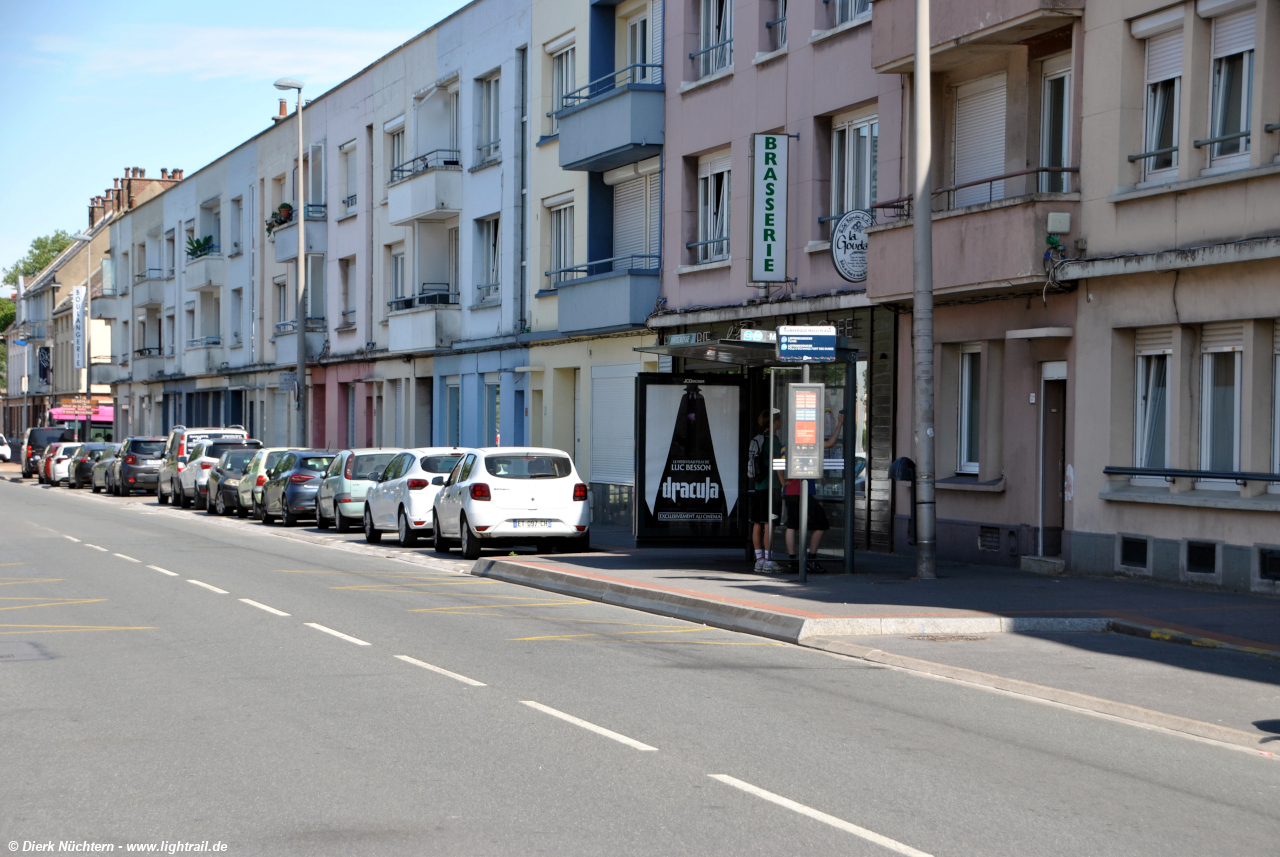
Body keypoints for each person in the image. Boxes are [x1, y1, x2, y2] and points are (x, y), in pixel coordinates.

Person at [783, 409, 843, 570]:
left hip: (790, 492)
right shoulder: (805, 443)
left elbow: (779, 467)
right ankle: (811, 559)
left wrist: (784, 483)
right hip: (802, 490)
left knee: (792, 525)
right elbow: (830, 443)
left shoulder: (787, 444)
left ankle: (793, 560)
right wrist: (840, 424)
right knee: (821, 523)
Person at [747, 410, 783, 573]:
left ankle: (759, 559)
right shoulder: (774, 441)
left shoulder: (758, 439)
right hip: (772, 486)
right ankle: (769, 561)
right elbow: (778, 466)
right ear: (773, 423)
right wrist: (785, 484)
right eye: (779, 420)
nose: (781, 423)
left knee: (757, 523)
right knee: (770, 524)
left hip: (759, 486)